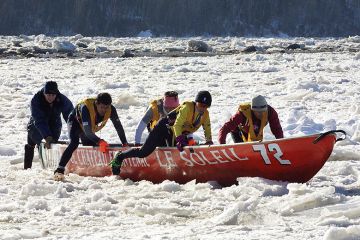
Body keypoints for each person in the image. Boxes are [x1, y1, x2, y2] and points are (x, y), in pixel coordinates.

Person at [109, 90, 214, 175]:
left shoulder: (206, 114)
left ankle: (181, 170)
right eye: (200, 104)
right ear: (196, 103)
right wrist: (180, 139)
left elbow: (207, 127)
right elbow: (177, 124)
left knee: (177, 149)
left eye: (205, 106)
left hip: (172, 131)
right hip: (162, 127)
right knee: (143, 153)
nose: (202, 108)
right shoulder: (187, 107)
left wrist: (209, 141)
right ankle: (120, 157)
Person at [54, 92, 129, 181]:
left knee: (90, 144)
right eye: (102, 107)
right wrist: (100, 141)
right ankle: (59, 169)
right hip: (75, 122)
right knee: (74, 142)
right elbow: (87, 131)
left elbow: (118, 126)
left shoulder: (111, 109)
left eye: (107, 107)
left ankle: (93, 168)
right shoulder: (86, 108)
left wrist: (124, 143)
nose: (104, 110)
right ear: (97, 104)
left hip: (89, 126)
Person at [24, 81, 73, 169]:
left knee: (51, 144)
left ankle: (50, 168)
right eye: (48, 95)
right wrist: (46, 136)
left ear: (56, 94)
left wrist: (76, 131)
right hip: (37, 124)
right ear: (44, 93)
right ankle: (27, 169)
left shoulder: (62, 99)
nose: (50, 97)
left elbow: (71, 116)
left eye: (53, 95)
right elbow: (39, 120)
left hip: (54, 123)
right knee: (32, 142)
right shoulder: (36, 99)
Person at [218, 95, 283, 144]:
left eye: (263, 111)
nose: (261, 114)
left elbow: (277, 129)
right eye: (258, 112)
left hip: (255, 131)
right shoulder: (242, 114)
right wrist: (222, 145)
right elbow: (224, 128)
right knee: (242, 150)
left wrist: (282, 144)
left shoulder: (270, 112)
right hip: (240, 131)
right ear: (252, 110)